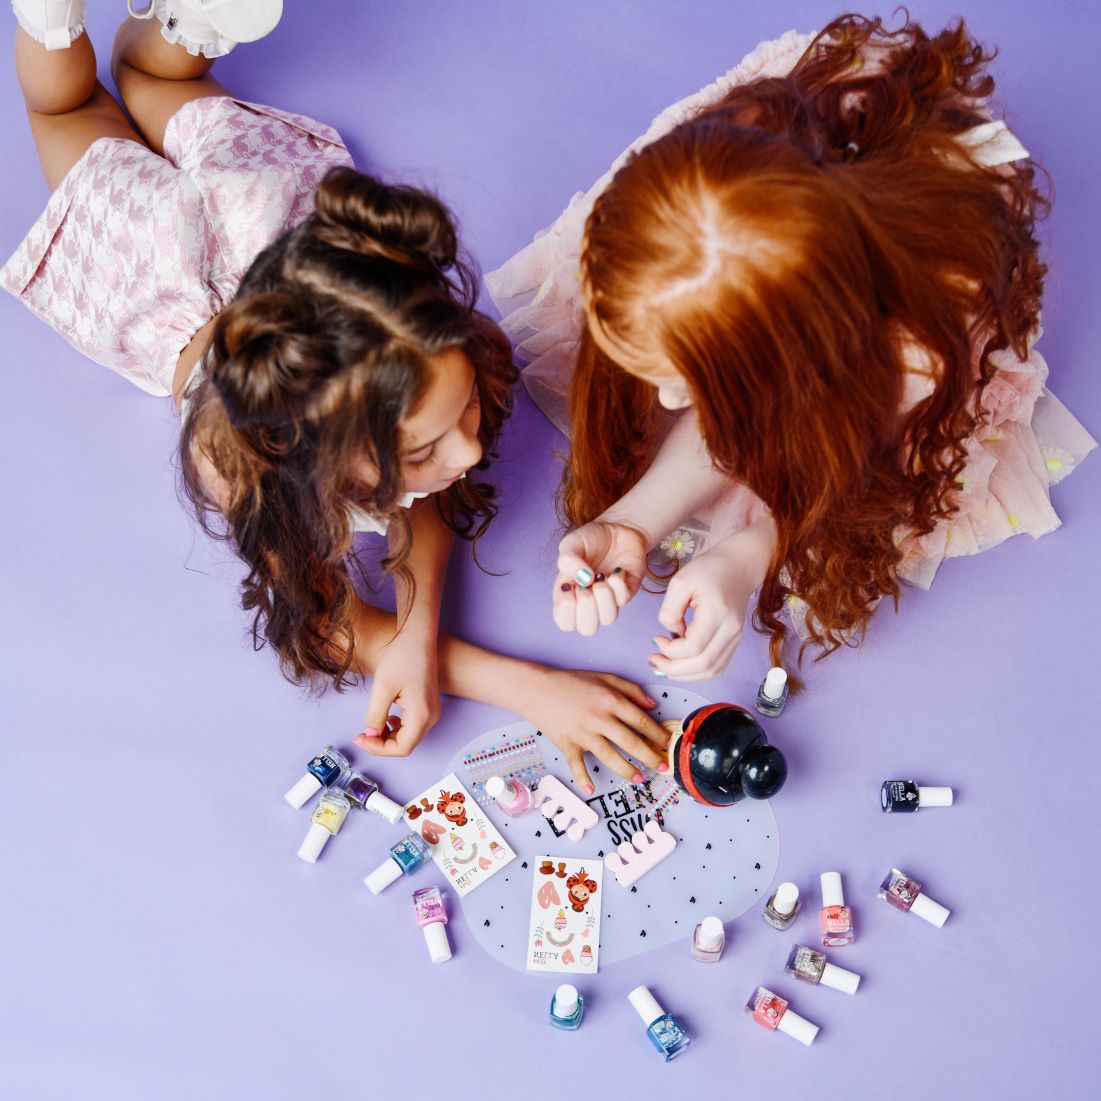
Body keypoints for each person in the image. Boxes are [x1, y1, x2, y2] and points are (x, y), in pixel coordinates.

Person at [3, 0, 670, 791]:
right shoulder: (243, 465)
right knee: (67, 103)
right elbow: (332, 628)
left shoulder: (435, 355)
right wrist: (528, 685)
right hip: (146, 259)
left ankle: (180, 32)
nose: (470, 447)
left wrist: (419, 632)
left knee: (150, 75)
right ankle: (51, 20)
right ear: (309, 457)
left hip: (260, 210)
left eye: (461, 414)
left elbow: (418, 500)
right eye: (425, 448)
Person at [487, 14, 1096, 681]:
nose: (667, 403)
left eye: (686, 384)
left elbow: (835, 454)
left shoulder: (910, 359)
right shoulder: (699, 228)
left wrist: (747, 553)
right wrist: (632, 522)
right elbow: (730, 412)